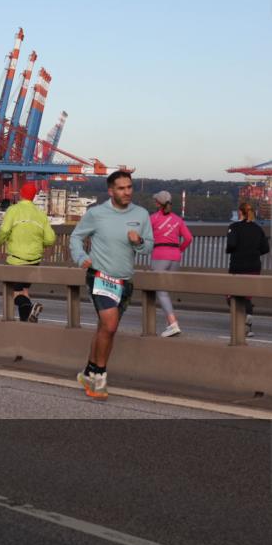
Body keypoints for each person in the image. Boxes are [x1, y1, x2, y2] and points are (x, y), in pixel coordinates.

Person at [71, 170, 154, 401]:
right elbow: (76, 237)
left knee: (104, 329)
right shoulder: (97, 214)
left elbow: (148, 248)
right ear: (111, 191)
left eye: (129, 187)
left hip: (124, 280)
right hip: (99, 276)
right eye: (121, 188)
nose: (127, 192)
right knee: (110, 325)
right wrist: (80, 257)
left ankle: (88, 372)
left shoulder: (141, 214)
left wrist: (138, 241)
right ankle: (99, 377)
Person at [0, 182, 56, 322]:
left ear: (21, 194)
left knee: (15, 293)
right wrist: (41, 244)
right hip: (34, 261)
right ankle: (26, 321)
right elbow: (50, 239)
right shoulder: (40, 214)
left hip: (16, 260)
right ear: (34, 197)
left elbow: (4, 231)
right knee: (25, 291)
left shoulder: (13, 210)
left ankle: (30, 307)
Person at [149, 191, 193, 337]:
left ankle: (173, 323)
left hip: (160, 255)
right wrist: (179, 250)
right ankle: (169, 323)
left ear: (157, 203)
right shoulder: (178, 219)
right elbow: (188, 238)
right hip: (175, 257)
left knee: (160, 291)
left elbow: (145, 237)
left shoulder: (153, 219)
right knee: (166, 290)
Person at [226, 202, 269, 338]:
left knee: (231, 294)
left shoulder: (234, 227)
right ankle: (248, 323)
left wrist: (230, 250)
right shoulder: (258, 229)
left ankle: (240, 321)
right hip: (254, 265)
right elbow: (266, 248)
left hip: (238, 266)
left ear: (240, 212)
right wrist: (254, 253)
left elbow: (231, 244)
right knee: (247, 296)